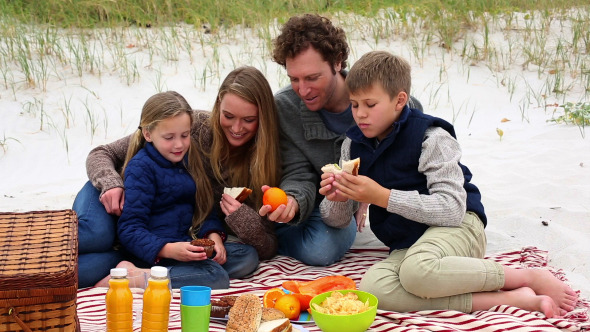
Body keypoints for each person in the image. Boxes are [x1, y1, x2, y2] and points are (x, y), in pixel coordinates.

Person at [319, 51, 578, 317]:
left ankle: (528, 277)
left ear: (399, 100)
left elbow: (452, 209)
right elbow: (336, 220)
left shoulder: (431, 138)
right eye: (354, 104)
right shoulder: (353, 145)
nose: (360, 114)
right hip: (410, 244)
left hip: (460, 227)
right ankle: (518, 299)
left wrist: (382, 197)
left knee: (417, 271)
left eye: (370, 104)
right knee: (375, 290)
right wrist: (337, 200)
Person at [74, 66, 280, 288]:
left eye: (248, 119)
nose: (237, 127)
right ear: (218, 106)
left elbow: (263, 242)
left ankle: (137, 273)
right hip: (112, 205)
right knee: (98, 235)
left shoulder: (197, 159)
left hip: (158, 240)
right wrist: (111, 184)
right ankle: (40, 244)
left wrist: (220, 232)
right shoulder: (190, 128)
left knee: (245, 258)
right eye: (228, 116)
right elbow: (103, 153)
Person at [261, 13, 423, 266]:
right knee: (320, 250)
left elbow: (408, 152)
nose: (303, 90)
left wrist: (370, 195)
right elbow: (298, 172)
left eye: (313, 78)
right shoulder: (285, 107)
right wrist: (292, 200)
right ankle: (274, 236)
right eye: (294, 79)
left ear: (337, 62)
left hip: (380, 197)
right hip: (322, 201)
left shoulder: (380, 98)